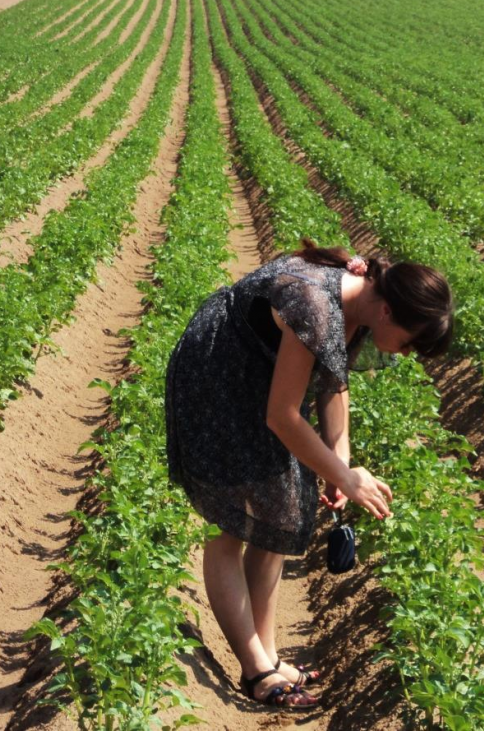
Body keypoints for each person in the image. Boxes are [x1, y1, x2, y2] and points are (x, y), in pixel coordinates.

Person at [164, 238, 454, 709]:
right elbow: (282, 416)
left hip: (261, 377)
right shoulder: (316, 305)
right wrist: (344, 475)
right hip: (219, 378)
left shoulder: (361, 300)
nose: (401, 354)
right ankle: (256, 669)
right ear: (387, 313)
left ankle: (270, 655)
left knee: (282, 509)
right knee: (231, 524)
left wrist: (341, 460)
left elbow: (333, 384)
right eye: (406, 342)